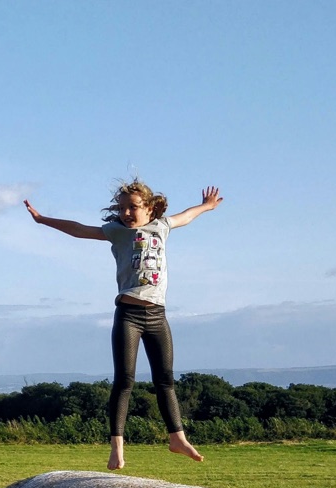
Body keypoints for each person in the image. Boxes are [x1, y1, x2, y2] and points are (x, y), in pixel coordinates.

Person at [24, 180, 223, 470]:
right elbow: (79, 229)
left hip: (157, 316)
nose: (127, 212)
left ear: (150, 208)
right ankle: (117, 448)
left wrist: (206, 206)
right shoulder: (116, 232)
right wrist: (42, 220)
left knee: (165, 380)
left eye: (133, 207)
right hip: (128, 314)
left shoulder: (162, 226)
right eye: (122, 207)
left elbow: (187, 216)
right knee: (124, 381)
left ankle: (177, 438)